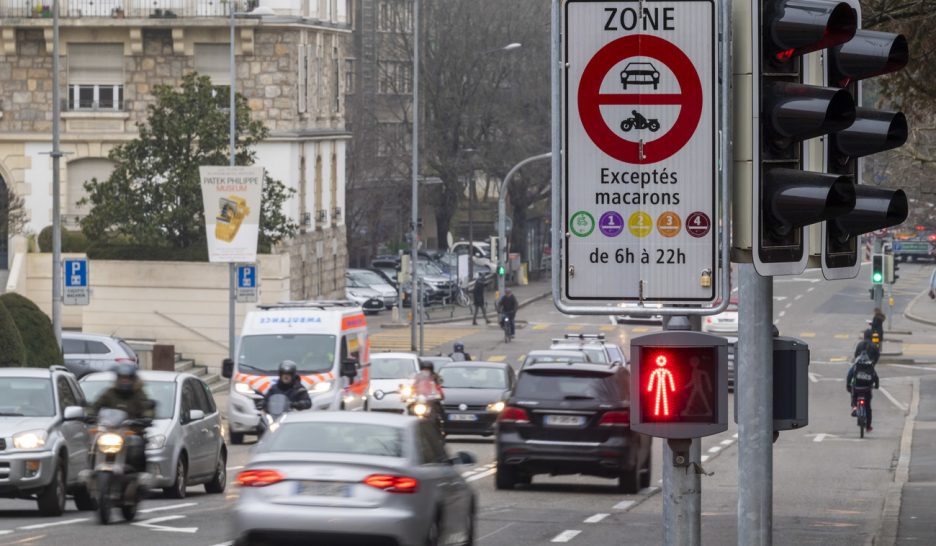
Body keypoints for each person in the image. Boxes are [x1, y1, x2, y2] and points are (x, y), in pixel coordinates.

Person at [90, 362, 153, 472]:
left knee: (138, 445)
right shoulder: (109, 393)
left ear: (133, 379)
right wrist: (90, 414)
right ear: (117, 378)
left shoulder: (139, 394)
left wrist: (146, 417)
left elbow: (147, 407)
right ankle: (92, 469)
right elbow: (96, 405)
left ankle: (138, 473)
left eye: (128, 378)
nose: (125, 381)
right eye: (122, 378)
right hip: (110, 431)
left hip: (132, 432)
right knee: (94, 443)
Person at [846, 353, 880, 431]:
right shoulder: (870, 366)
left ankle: (854, 408)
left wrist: (848, 385)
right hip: (867, 389)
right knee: (868, 407)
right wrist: (876, 386)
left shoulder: (856, 366)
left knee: (853, 396)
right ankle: (868, 427)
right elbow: (875, 377)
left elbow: (849, 375)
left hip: (857, 388)